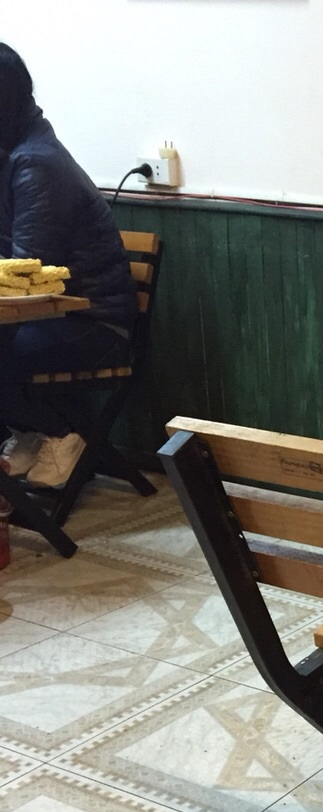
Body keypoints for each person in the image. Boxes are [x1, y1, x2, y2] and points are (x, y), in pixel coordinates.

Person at [0, 43, 136, 488]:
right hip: (50, 320)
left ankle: (58, 433)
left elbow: (26, 273)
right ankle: (32, 432)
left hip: (92, 324)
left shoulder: (35, 163)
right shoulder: (17, 150)